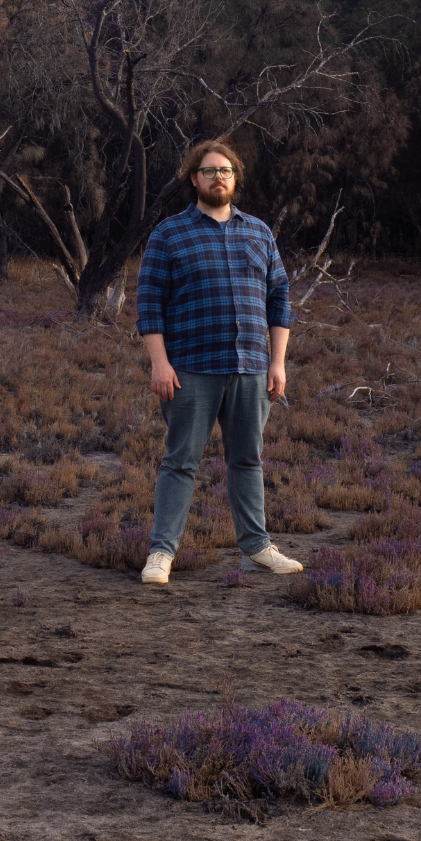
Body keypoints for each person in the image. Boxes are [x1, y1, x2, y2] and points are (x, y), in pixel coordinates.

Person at [135, 140, 301, 585]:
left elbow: (279, 299)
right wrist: (159, 364)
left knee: (247, 460)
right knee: (180, 462)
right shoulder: (168, 234)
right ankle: (161, 553)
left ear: (235, 177)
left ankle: (257, 549)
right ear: (194, 178)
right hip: (190, 369)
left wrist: (278, 363)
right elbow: (149, 305)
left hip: (251, 367)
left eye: (225, 171)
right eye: (209, 171)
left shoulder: (259, 233)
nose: (218, 178)